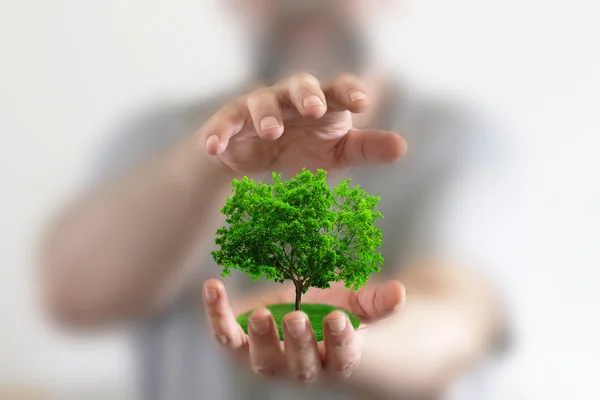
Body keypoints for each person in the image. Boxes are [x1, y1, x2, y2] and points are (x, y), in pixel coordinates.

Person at [39, 1, 510, 399]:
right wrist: (209, 160)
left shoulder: (456, 141)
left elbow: (457, 319)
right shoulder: (155, 140)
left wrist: (356, 338)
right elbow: (71, 292)